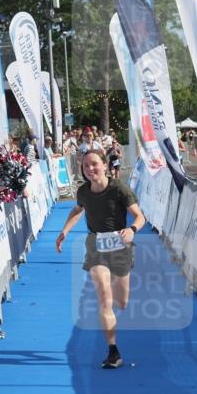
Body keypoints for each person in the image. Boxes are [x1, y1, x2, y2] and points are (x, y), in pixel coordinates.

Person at [56, 149, 146, 370]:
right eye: (86, 165)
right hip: (96, 246)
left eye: (94, 164)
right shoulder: (83, 191)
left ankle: (116, 305)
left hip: (120, 246)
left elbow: (139, 216)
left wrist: (132, 229)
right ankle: (113, 351)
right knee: (104, 297)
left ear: (105, 165)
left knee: (121, 302)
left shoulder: (118, 188)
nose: (90, 169)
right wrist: (65, 231)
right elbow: (78, 210)